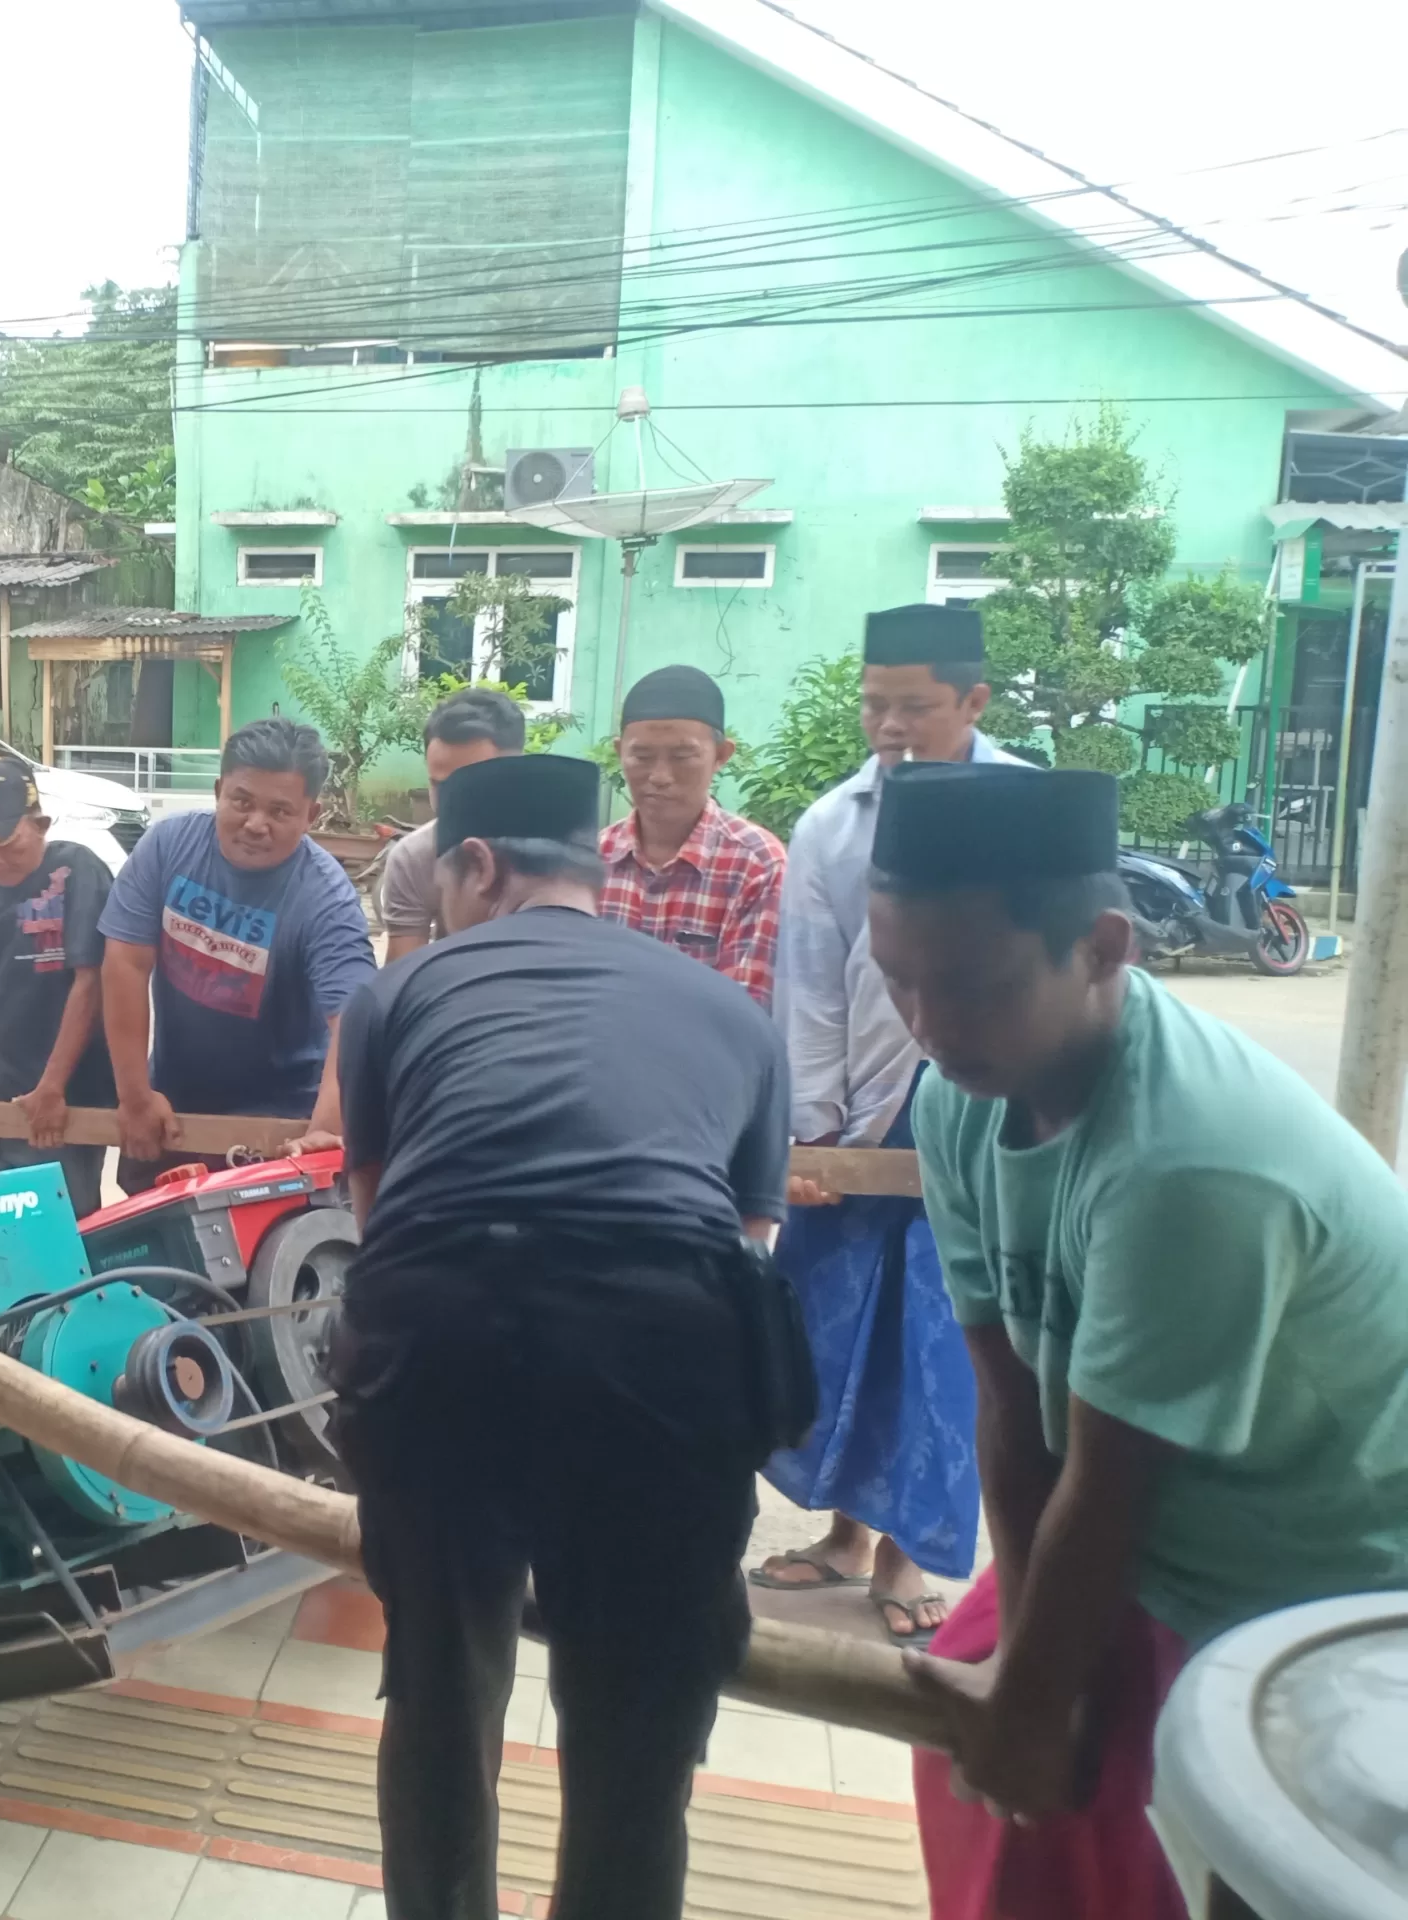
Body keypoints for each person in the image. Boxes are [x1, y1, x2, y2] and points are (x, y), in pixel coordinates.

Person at [860, 761, 1408, 1919]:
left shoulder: (1192, 1163)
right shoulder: (961, 1092)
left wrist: (1043, 1700)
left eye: (970, 985)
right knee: (987, 1764)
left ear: (1106, 945)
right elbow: (1008, 1404)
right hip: (1147, 1532)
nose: (930, 1025)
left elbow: (1109, 1488)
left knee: (1134, 1842)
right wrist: (1023, 1667)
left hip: (1318, 1587)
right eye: (898, 982)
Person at [333, 753, 791, 1920]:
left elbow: (381, 1222)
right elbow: (745, 1247)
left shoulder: (399, 994)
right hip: (666, 1353)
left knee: (441, 1690)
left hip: (443, 1336)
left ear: (475, 866)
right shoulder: (732, 1017)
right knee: (634, 1743)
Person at [757, 603, 1025, 1642]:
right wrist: (812, 1132)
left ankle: (907, 1554)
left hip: (977, 1105)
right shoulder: (832, 825)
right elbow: (809, 991)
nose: (891, 725)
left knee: (937, 1333)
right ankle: (842, 1535)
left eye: (914, 705)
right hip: (861, 1105)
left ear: (972, 702)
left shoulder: (1023, 809)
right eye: (875, 704)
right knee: (838, 1322)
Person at [99, 715, 376, 1187]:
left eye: (280, 811)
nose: (255, 824)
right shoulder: (167, 847)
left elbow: (356, 1022)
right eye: (241, 801)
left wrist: (326, 1129)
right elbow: (125, 962)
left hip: (281, 1117)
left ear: (312, 815)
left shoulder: (325, 898)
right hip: (171, 1101)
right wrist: (135, 1095)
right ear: (217, 791)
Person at [0, 757, 116, 1216]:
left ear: (39, 824)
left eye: (7, 844)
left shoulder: (77, 871)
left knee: (58, 1235)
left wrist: (52, 1087)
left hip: (69, 1100)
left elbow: (90, 983)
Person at [598, 664, 783, 1006]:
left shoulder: (757, 867)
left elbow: (745, 1010)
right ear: (619, 751)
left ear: (721, 755)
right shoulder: (591, 860)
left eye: (683, 757)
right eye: (642, 756)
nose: (660, 776)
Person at [377, 686, 528, 962]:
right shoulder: (416, 858)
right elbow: (403, 978)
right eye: (439, 786)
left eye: (469, 786)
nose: (451, 803)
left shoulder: (558, 859)